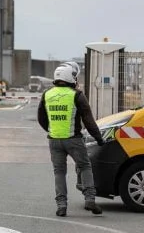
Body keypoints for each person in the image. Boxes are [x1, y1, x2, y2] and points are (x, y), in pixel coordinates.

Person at [37, 62, 104, 217]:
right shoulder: (77, 95)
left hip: (54, 140)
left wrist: (51, 129)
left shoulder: (47, 94)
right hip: (74, 139)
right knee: (85, 166)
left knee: (59, 172)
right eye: (74, 76)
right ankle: (90, 199)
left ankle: (61, 206)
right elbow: (89, 121)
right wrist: (99, 138)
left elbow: (41, 118)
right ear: (69, 77)